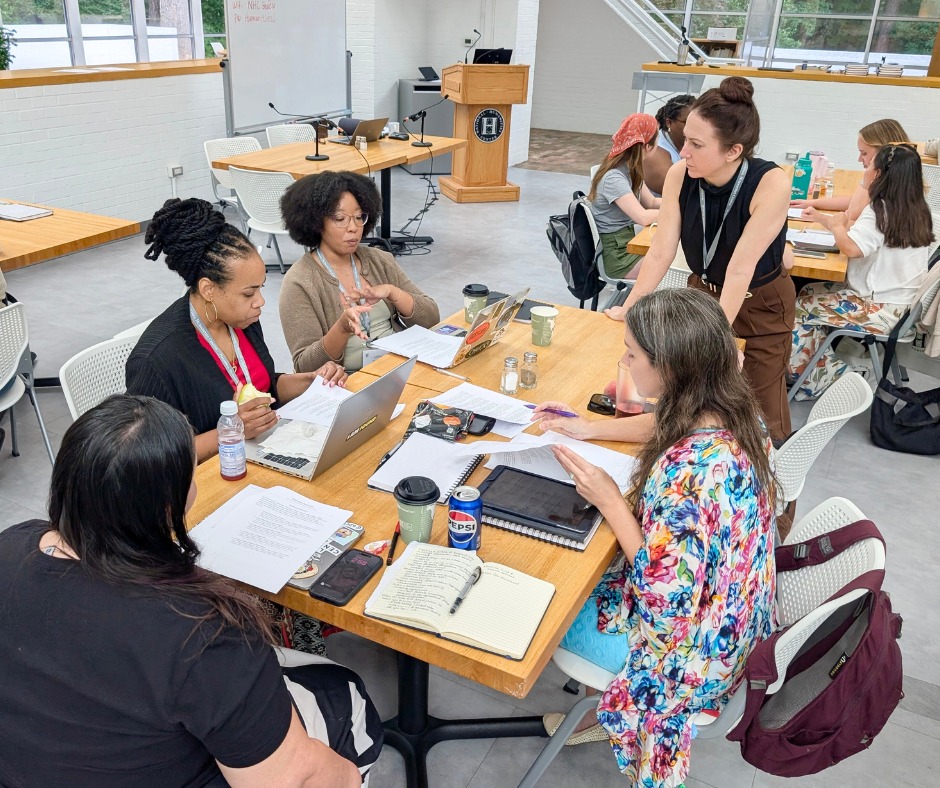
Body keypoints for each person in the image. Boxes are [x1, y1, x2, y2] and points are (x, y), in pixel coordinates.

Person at [0, 394, 383, 787]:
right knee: (343, 691)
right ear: (168, 508)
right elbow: (292, 779)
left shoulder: (12, 544)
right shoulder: (204, 631)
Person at [533, 289, 776, 787]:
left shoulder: (690, 473)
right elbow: (668, 423)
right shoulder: (736, 415)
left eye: (632, 354)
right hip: (738, 624)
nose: (624, 361)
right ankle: (589, 709)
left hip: (695, 658)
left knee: (552, 596)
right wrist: (589, 429)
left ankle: (598, 702)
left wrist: (611, 501)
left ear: (669, 369)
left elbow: (663, 605)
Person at [606, 76, 795, 443]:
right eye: (683, 140)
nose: (683, 152)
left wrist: (718, 340)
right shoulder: (681, 175)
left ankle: (772, 495)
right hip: (703, 298)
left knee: (757, 414)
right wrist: (630, 307)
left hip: (761, 306)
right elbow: (661, 251)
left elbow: (741, 268)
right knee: (691, 405)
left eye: (695, 144)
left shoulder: (771, 183)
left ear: (733, 151)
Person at [126, 197, 347, 464]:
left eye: (260, 287)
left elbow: (262, 385)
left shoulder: (243, 319)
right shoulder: (157, 360)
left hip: (267, 450)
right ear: (209, 290)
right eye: (248, 293)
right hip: (212, 477)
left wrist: (309, 383)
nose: (260, 301)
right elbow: (146, 455)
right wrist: (231, 430)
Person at [789, 143, 932, 399]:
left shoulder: (880, 210)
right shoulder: (915, 208)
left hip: (878, 309)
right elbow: (856, 234)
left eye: (869, 164)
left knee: (799, 307)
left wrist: (836, 228)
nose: (864, 169)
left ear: (878, 174)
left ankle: (823, 379)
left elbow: (851, 247)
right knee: (810, 289)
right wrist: (830, 222)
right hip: (900, 306)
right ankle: (820, 365)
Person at [278, 171, 440, 373]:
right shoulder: (299, 282)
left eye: (358, 217)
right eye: (340, 218)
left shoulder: (379, 260)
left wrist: (392, 292)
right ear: (316, 222)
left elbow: (432, 318)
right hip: (346, 381)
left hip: (397, 367)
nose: (353, 228)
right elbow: (305, 366)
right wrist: (342, 328)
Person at [790, 118, 911, 221]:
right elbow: (852, 201)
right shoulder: (893, 179)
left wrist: (866, 180)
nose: (859, 159)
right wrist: (812, 203)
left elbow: (852, 215)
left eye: (864, 153)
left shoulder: (891, 189)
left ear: (883, 153)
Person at [588, 113, 662, 280]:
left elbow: (651, 202)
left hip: (626, 247)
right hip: (618, 259)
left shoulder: (630, 169)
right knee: (669, 263)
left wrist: (680, 203)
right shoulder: (614, 178)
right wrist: (679, 212)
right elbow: (643, 217)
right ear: (647, 147)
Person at [643, 94, 695, 197]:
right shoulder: (655, 151)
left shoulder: (692, 144)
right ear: (669, 123)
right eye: (687, 121)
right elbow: (679, 192)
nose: (695, 126)